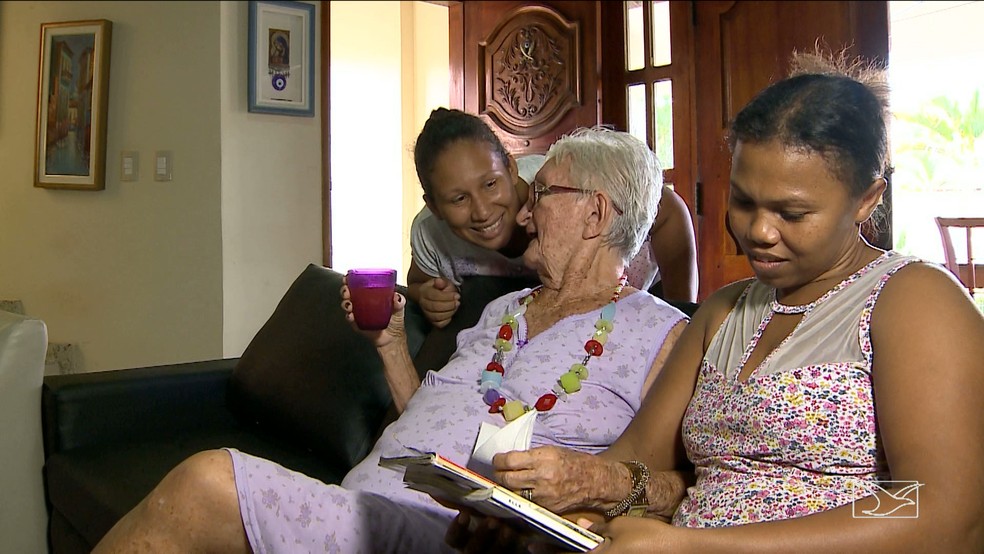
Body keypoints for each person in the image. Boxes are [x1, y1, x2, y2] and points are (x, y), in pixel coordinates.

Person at [445, 49, 984, 552]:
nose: (760, 231)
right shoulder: (724, 312)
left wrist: (702, 547)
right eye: (744, 201)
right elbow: (630, 465)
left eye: (792, 213)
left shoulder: (913, 300)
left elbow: (938, 507)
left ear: (868, 199)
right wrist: (535, 512)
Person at [91, 127, 690, 554]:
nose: (525, 215)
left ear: (595, 214)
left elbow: (674, 483)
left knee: (209, 483)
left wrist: (582, 492)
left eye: (543, 196)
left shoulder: (663, 333)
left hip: (453, 529)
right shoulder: (505, 308)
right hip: (372, 499)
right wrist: (387, 341)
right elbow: (429, 416)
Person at [407, 108, 698, 329]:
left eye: (490, 184)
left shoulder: (558, 182)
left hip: (636, 277)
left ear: (510, 167)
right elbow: (418, 282)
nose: (482, 211)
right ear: (433, 206)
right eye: (459, 199)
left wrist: (682, 310)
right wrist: (427, 295)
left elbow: (668, 207)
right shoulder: (430, 234)